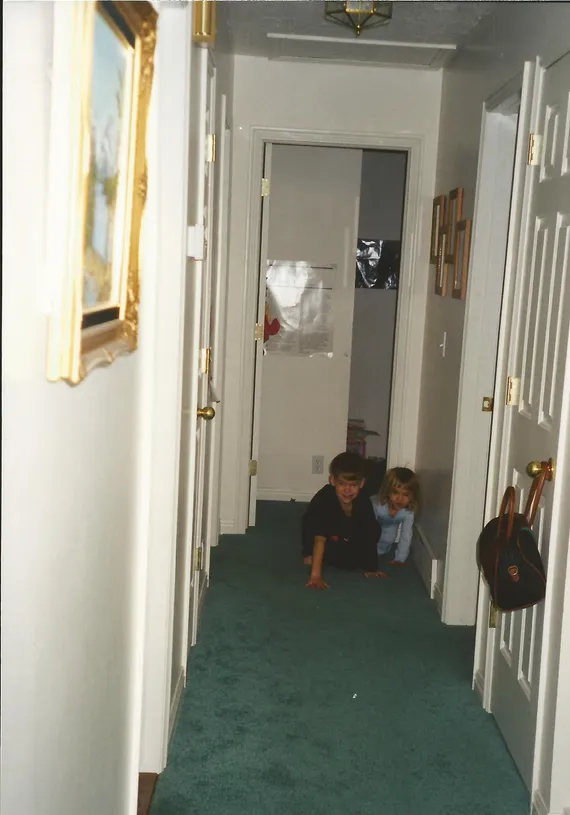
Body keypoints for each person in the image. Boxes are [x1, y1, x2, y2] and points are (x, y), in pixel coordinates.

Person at [302, 452, 386, 589]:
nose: (347, 490)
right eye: (342, 484)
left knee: (374, 528)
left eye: (353, 485)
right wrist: (315, 576)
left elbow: (369, 534)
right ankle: (309, 553)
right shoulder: (325, 500)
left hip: (347, 532)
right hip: (324, 535)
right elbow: (319, 538)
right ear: (332, 481)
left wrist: (371, 568)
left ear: (362, 483)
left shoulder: (364, 501)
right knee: (313, 526)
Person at [371, 467, 419, 566]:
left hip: (384, 543)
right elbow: (366, 530)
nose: (399, 498)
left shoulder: (407, 512)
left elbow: (406, 536)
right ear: (387, 492)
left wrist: (400, 558)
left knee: (388, 537)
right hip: (367, 535)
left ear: (412, 496)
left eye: (405, 494)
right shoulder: (377, 506)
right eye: (395, 492)